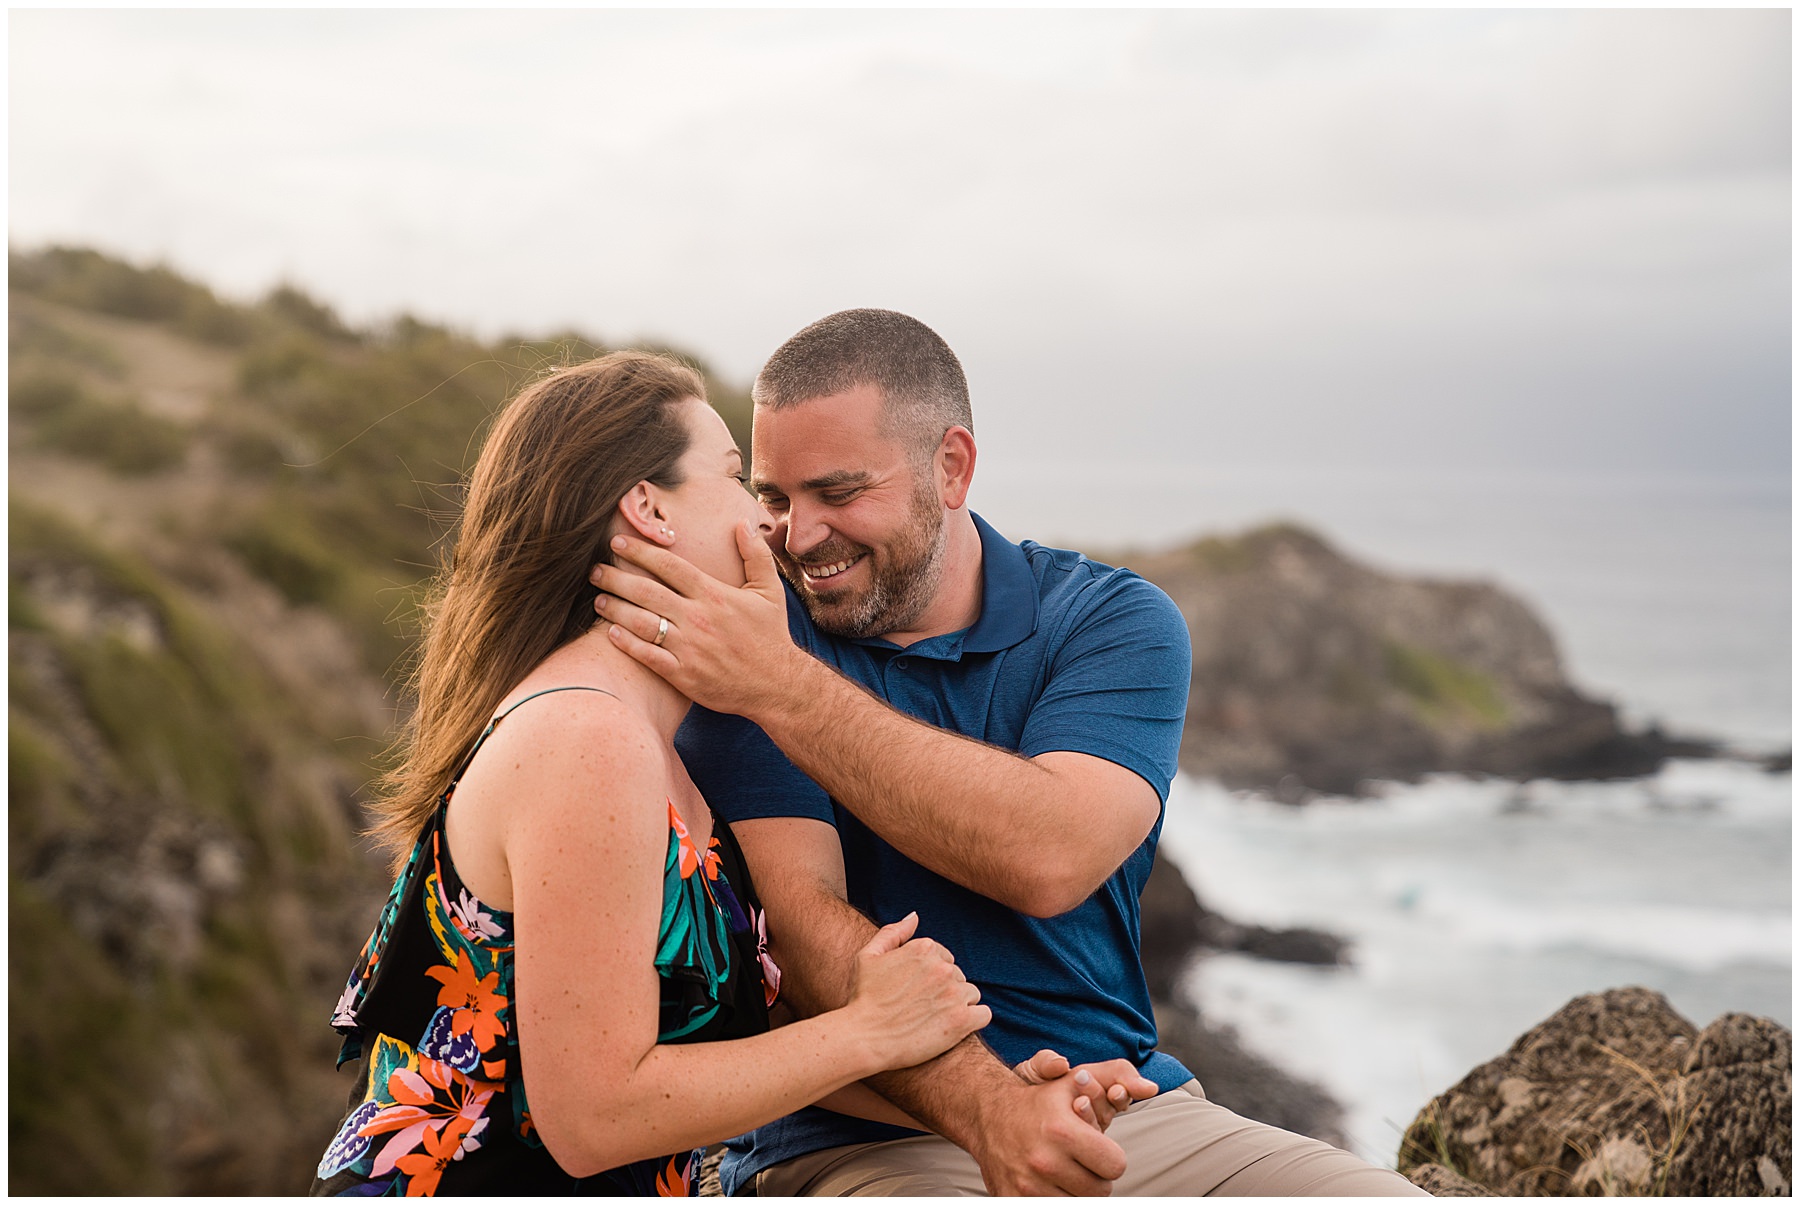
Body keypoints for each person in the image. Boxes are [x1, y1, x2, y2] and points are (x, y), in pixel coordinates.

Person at [590, 310, 1431, 1195]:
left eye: (838, 492)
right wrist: (991, 1108)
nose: (799, 537)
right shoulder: (752, 637)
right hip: (856, 1139)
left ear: (951, 466)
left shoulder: (1110, 622)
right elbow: (798, 933)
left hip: (1127, 1110)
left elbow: (1049, 854)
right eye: (773, 497)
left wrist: (784, 688)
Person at [311, 351, 1000, 1195]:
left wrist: (998, 1101)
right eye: (738, 478)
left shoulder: (647, 743)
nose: (772, 521)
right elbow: (595, 1117)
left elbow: (700, 1067)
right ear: (647, 507)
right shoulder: (587, 739)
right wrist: (867, 1029)